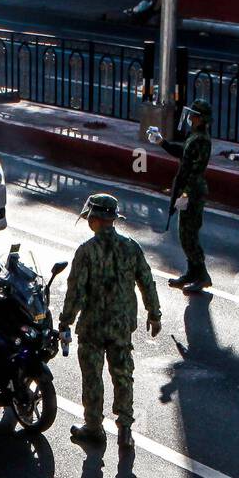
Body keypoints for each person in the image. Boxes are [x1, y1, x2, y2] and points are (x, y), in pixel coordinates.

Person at [58, 193, 162, 450]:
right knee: (123, 374)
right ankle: (125, 429)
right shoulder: (131, 247)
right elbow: (146, 282)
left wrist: (65, 322)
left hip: (92, 326)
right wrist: (154, 313)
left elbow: (75, 293)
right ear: (113, 219)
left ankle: (94, 428)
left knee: (93, 378)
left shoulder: (86, 251)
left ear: (94, 219)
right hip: (121, 325)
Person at [148, 96, 212, 292]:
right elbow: (183, 153)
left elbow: (195, 170)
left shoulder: (201, 140)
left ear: (201, 119)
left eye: (194, 116)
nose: (190, 119)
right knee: (185, 234)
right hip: (187, 191)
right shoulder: (193, 137)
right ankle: (192, 272)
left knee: (189, 236)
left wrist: (185, 194)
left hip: (193, 193)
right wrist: (162, 142)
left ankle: (202, 275)